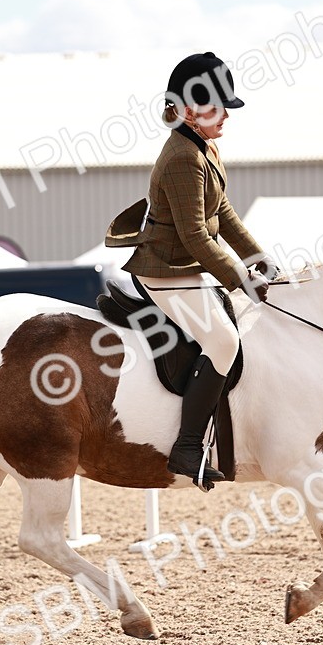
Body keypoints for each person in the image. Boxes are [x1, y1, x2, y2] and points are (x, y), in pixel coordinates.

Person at [112, 52, 273, 489]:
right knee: (223, 341)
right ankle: (186, 447)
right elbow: (196, 237)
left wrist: (257, 257)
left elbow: (224, 213)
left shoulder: (204, 146)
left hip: (185, 268)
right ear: (184, 110)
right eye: (214, 107)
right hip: (166, 271)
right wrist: (240, 278)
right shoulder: (184, 155)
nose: (224, 116)